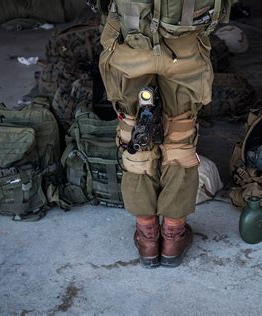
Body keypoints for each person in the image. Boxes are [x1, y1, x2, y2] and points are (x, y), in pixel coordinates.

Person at [99, 0, 235, 268]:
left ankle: (148, 237)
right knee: (180, 138)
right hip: (183, 44)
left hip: (129, 40)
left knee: (133, 135)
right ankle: (173, 235)